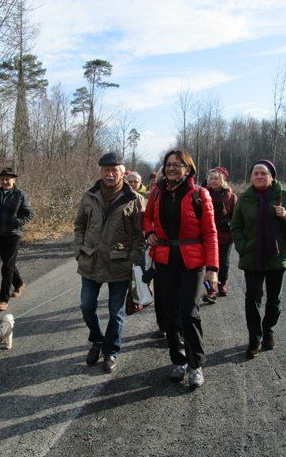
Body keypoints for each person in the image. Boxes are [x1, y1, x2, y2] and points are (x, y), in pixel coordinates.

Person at [144, 150, 219, 388]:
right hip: (165, 259)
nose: (171, 168)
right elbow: (146, 218)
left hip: (192, 262)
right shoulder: (157, 192)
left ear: (188, 169)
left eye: (177, 164)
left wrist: (213, 268)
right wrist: (149, 232)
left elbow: (210, 233)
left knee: (189, 312)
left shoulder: (199, 194)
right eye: (168, 164)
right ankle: (179, 360)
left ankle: (196, 364)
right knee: (169, 312)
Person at [74, 152, 145, 373]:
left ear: (122, 172)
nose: (110, 174)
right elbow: (79, 226)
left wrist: (133, 258)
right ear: (101, 172)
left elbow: (140, 235)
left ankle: (111, 351)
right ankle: (97, 340)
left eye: (115, 170)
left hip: (119, 264)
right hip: (91, 261)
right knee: (86, 306)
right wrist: (79, 251)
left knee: (117, 312)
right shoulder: (89, 196)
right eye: (106, 170)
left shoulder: (134, 199)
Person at [230, 159, 286, 359]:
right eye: (256, 173)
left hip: (277, 257)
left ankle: (268, 329)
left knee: (274, 300)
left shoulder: (284, 195)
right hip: (253, 256)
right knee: (252, 299)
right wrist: (243, 246)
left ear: (272, 177)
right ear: (251, 177)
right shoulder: (244, 199)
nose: (259, 176)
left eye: (263, 173)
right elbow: (235, 226)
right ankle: (254, 339)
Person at [0, 167, 34, 311]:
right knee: (8, 263)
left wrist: (17, 222)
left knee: (7, 266)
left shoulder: (20, 195)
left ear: (13, 179)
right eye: (2, 179)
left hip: (13, 234)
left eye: (7, 179)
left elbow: (29, 214)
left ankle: (3, 299)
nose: (5, 181)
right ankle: (19, 283)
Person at [203, 166, 238, 302]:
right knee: (209, 265)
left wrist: (227, 223)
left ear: (222, 180)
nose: (213, 181)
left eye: (216, 179)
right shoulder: (203, 194)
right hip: (208, 235)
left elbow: (236, 217)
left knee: (224, 263)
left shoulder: (231, 197)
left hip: (225, 236)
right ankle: (210, 290)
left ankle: (222, 284)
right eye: (211, 179)